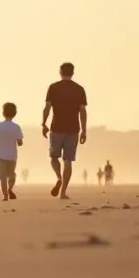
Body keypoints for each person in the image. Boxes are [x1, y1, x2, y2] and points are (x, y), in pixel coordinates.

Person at [42, 61, 88, 199]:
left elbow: (47, 107)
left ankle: (59, 177)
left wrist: (43, 123)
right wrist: (84, 130)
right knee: (68, 160)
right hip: (73, 129)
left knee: (54, 157)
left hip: (56, 128)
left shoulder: (53, 88)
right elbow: (82, 111)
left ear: (60, 72)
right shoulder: (79, 89)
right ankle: (63, 193)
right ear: (72, 73)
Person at [0, 102, 24, 201]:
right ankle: (10, 189)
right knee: (12, 175)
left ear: (3, 113)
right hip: (12, 156)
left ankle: (5, 196)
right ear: (15, 114)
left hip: (0, 155)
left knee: (2, 177)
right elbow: (20, 142)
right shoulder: (16, 127)